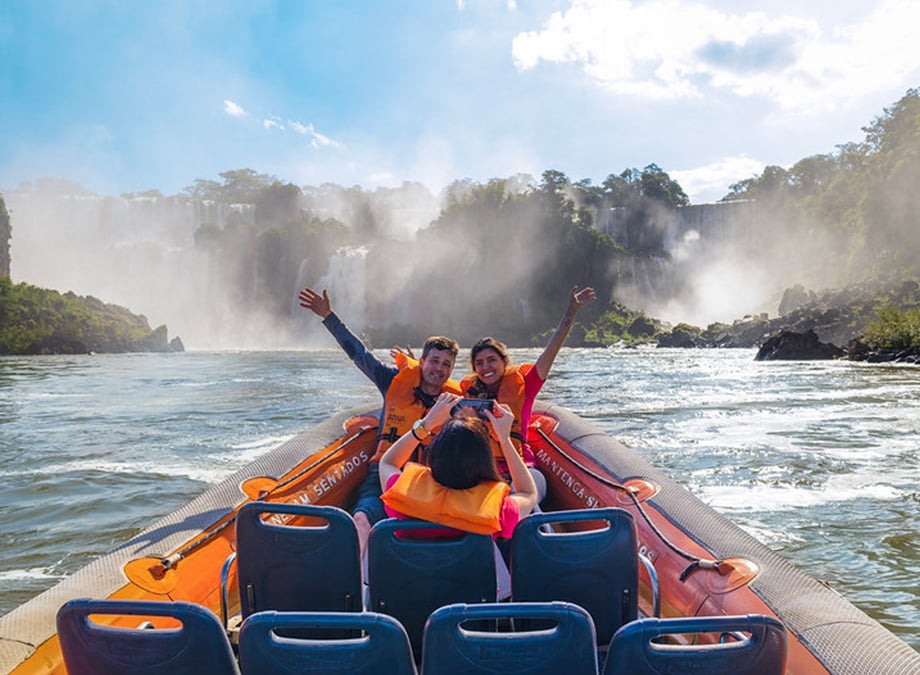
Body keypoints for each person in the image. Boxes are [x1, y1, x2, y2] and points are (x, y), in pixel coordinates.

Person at [298, 287, 461, 558]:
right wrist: (329, 317)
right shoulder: (392, 382)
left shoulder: (456, 402)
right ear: (421, 362)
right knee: (361, 520)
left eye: (446, 364)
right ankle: (354, 582)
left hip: (431, 478)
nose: (439, 369)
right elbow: (359, 354)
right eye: (434, 361)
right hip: (382, 476)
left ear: (452, 370)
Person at [461, 285, 596, 498]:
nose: (486, 367)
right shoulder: (467, 396)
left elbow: (551, 350)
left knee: (521, 498)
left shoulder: (526, 384)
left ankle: (532, 517)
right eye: (479, 363)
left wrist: (571, 312)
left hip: (523, 466)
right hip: (483, 469)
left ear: (504, 362)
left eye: (491, 360)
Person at [377, 392, 538, 539]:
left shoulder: (401, 493)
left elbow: (388, 462)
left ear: (434, 453)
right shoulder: (500, 511)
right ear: (485, 460)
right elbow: (528, 493)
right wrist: (505, 439)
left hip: (413, 562)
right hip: (472, 563)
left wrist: (427, 423)